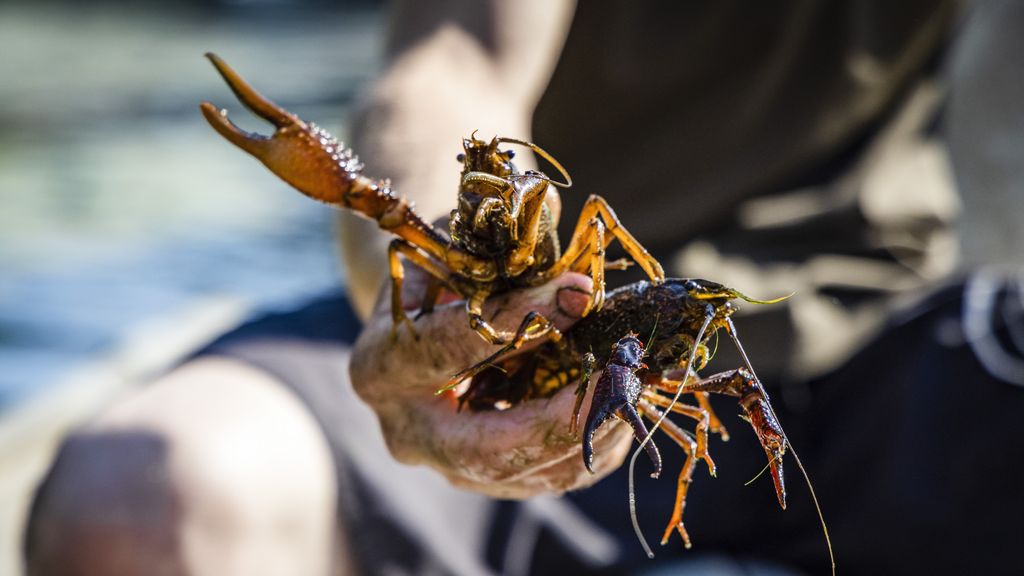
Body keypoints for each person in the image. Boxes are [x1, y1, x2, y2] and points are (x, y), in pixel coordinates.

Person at [25, 1, 1024, 574]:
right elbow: (454, 56)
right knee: (138, 497)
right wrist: (410, 292)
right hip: (512, 340)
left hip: (879, 336)